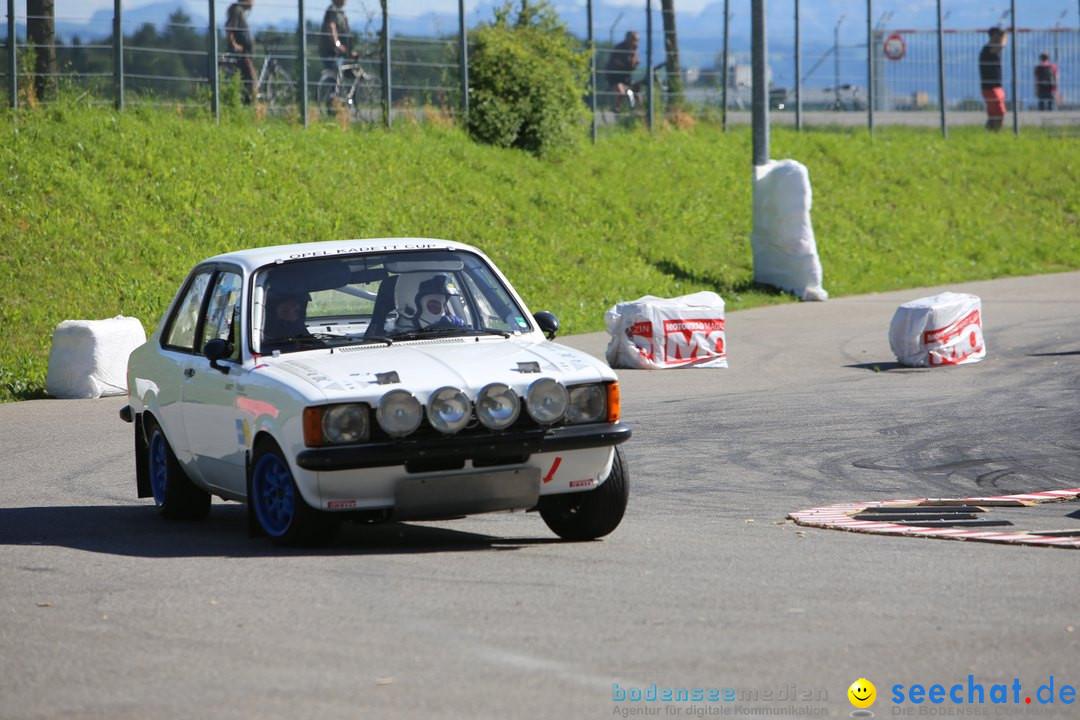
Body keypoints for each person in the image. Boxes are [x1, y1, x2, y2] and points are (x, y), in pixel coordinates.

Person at [225, 0, 258, 104]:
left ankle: (248, 101)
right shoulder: (237, 10)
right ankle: (252, 104)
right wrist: (234, 45)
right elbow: (229, 28)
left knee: (246, 78)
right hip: (242, 52)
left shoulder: (239, 11)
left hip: (245, 51)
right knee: (251, 78)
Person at [978, 27, 1008, 131]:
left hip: (995, 87)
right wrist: (1005, 34)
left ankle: (988, 134)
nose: (1000, 37)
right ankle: (995, 133)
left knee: (993, 115)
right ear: (994, 36)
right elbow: (1001, 46)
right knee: (1000, 113)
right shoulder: (988, 49)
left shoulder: (989, 49)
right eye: (998, 35)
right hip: (991, 88)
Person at [319, 0, 359, 72]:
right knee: (334, 73)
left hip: (343, 51)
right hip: (333, 52)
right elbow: (332, 27)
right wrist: (338, 44)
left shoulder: (340, 12)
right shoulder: (333, 10)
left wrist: (349, 51)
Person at [606, 31, 640, 112]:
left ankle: (639, 112)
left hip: (626, 78)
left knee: (637, 94)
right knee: (621, 92)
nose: (636, 43)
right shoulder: (619, 48)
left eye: (637, 40)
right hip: (615, 77)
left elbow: (633, 66)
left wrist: (634, 52)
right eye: (634, 40)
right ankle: (616, 109)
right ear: (628, 39)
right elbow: (622, 64)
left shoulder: (633, 51)